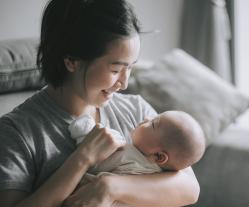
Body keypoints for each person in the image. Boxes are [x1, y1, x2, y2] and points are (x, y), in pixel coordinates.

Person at [0, 0, 201, 206]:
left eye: (130, 67)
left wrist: (109, 187)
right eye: (115, 70)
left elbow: (190, 188)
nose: (124, 83)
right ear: (71, 61)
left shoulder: (135, 110)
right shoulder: (16, 132)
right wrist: (82, 159)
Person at [69, 110, 206, 175]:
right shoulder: (157, 175)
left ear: (158, 156)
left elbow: (95, 165)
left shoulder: (129, 158)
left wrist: (85, 128)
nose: (146, 118)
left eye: (153, 124)